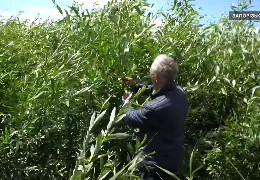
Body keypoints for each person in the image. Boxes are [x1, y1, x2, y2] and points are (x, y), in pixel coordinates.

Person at [122, 54, 189, 180]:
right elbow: (156, 89)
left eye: (151, 76)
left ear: (156, 77)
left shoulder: (155, 108)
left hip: (156, 165)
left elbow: (132, 119)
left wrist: (125, 103)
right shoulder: (180, 92)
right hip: (174, 157)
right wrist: (136, 86)